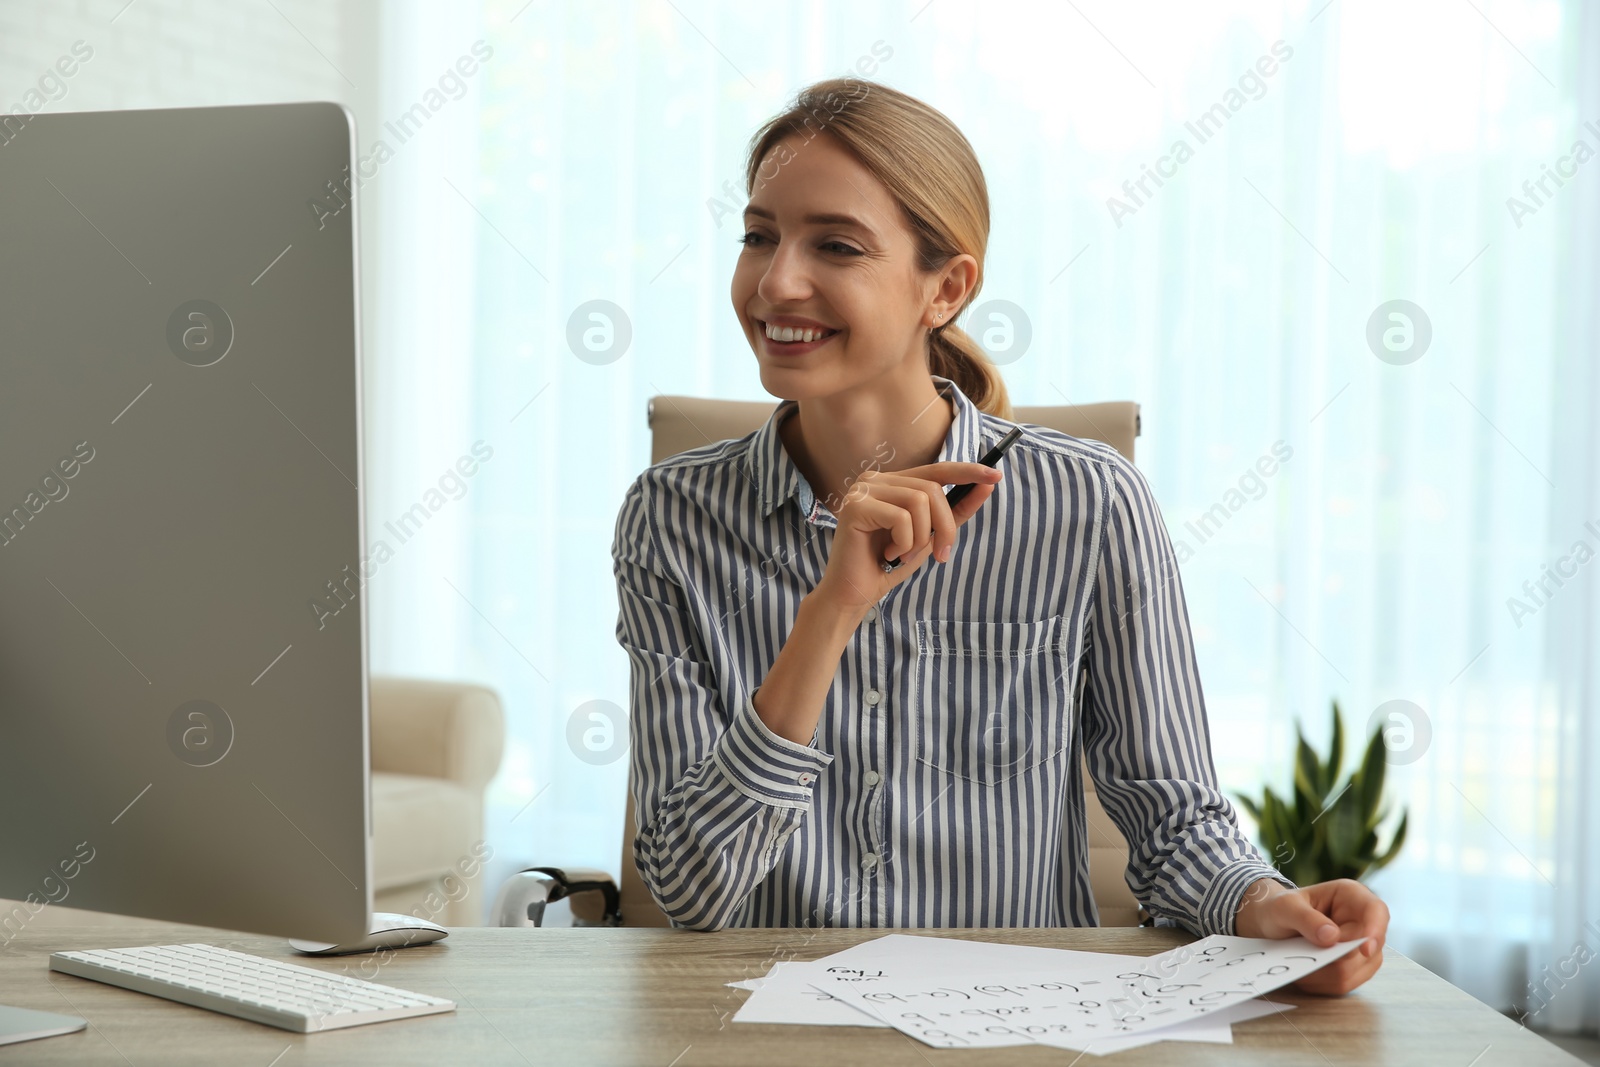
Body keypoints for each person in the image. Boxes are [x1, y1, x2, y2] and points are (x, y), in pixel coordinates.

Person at [611, 77, 1388, 995]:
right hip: (763, 1025)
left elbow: (1171, 811)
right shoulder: (670, 518)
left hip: (1023, 1027)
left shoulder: (1091, 504)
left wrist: (1266, 904)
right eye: (758, 235)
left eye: (836, 245)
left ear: (947, 287)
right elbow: (692, 892)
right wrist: (830, 613)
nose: (777, 280)